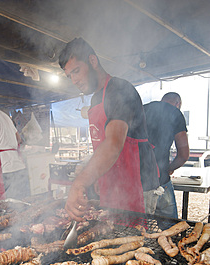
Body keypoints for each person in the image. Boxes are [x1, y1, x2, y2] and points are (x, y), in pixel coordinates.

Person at [58, 37, 160, 221]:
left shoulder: (119, 89)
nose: (74, 80)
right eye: (69, 76)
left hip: (137, 184)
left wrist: (79, 183)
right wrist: (97, 175)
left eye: (76, 71)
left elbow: (113, 143)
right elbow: (101, 145)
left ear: (93, 61)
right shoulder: (95, 99)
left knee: (138, 241)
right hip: (114, 185)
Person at [143, 92, 190, 219]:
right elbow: (184, 155)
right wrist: (169, 168)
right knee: (169, 229)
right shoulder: (175, 113)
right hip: (161, 181)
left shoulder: (143, 109)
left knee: (140, 231)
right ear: (177, 104)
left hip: (138, 183)